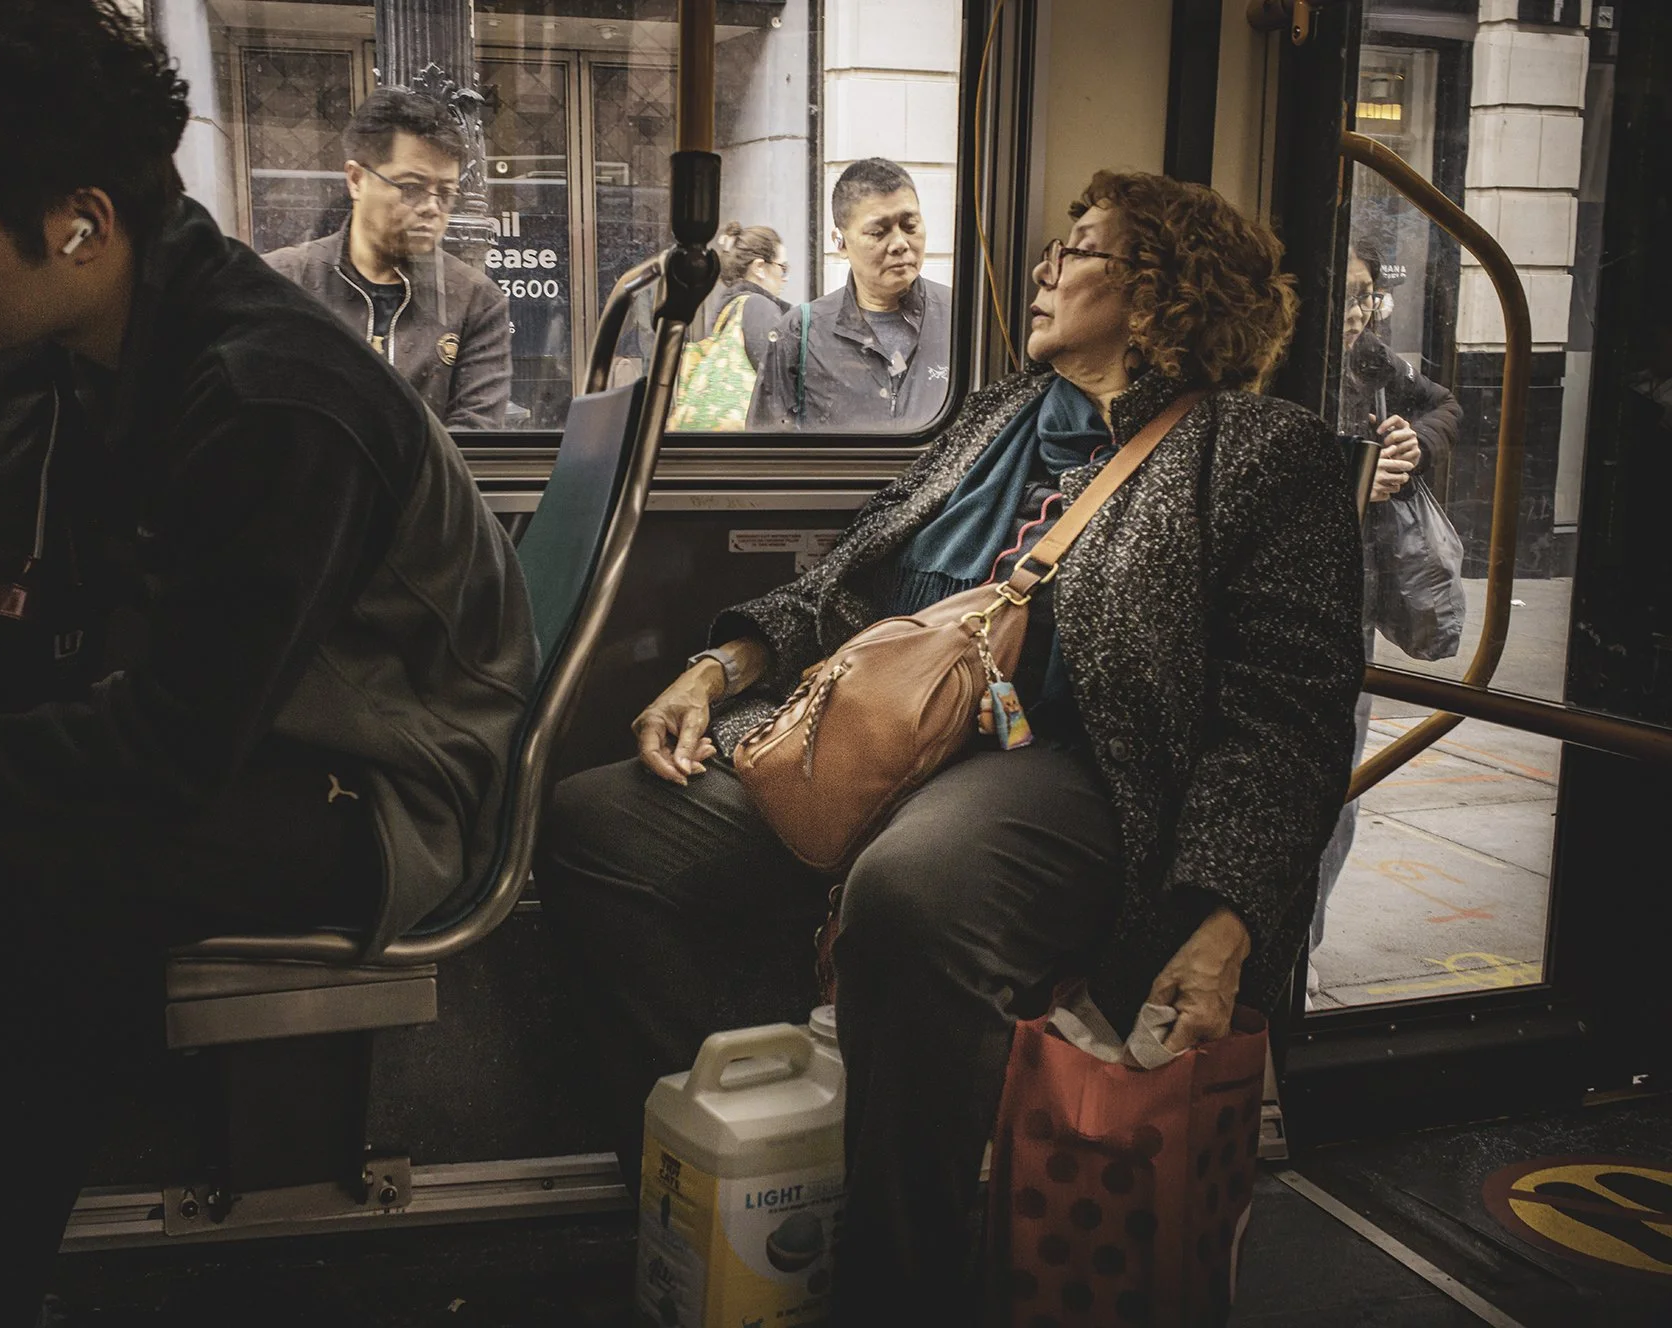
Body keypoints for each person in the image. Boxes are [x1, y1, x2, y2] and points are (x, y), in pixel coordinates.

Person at [0, 4, 535, 1324]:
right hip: (254, 736)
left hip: (385, 784)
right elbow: (57, 661)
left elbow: (163, 755)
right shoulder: (100, 351)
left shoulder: (262, 396)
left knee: (39, 853)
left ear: (80, 224)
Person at [538, 171, 1362, 1320]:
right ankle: (767, 1152)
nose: (1042, 269)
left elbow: (1288, 717)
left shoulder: (1261, 453)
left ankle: (894, 1276)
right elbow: (849, 576)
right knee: (598, 822)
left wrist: (1225, 918)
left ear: (1158, 292)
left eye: (1076, 251)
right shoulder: (992, 415)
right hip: (882, 729)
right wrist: (718, 667)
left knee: (915, 890)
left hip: (1069, 768)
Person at [1307, 245, 1464, 995]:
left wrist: (1411, 444)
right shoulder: (1277, 364)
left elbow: (1441, 406)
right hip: (1287, 589)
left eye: (1367, 298)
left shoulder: (1369, 362)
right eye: (1345, 297)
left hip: (1357, 596)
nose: (1357, 315)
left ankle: (1302, 949)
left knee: (1340, 785)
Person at [265, 87, 512, 429]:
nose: (431, 208)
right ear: (356, 179)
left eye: (445, 193)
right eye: (410, 187)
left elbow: (475, 435)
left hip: (428, 482)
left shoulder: (474, 299)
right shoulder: (285, 282)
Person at [748, 158, 953, 431]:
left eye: (910, 226)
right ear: (840, 242)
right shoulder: (799, 333)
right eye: (878, 233)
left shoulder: (961, 319)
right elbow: (768, 455)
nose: (900, 244)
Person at [667, 222, 790, 431]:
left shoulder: (727, 310)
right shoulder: (758, 307)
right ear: (760, 267)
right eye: (783, 268)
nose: (785, 279)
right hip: (747, 446)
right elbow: (780, 383)